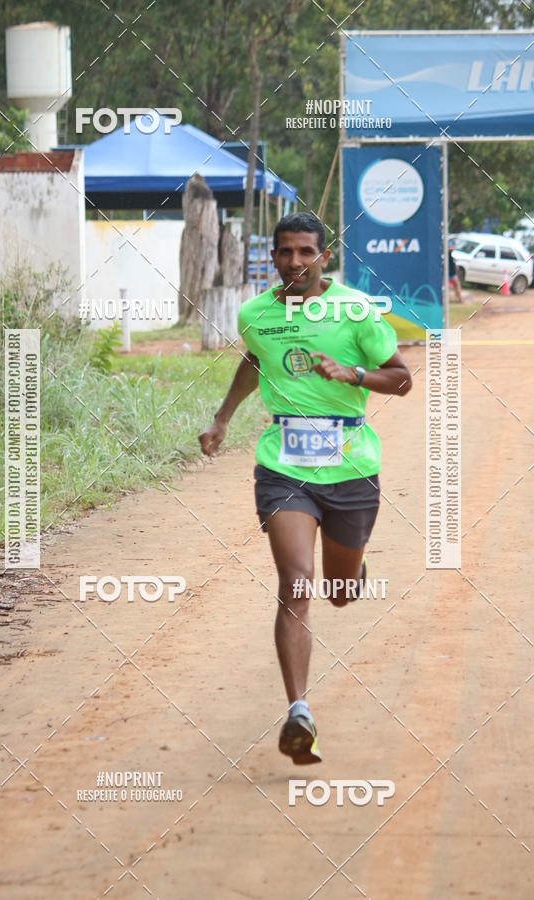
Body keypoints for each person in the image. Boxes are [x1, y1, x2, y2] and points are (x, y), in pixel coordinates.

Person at [199, 212, 412, 765]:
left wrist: (355, 375)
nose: (295, 262)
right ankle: (299, 712)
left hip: (351, 466)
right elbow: (255, 361)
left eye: (306, 252)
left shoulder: (355, 311)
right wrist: (223, 418)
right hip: (284, 466)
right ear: (272, 257)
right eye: (285, 252)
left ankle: (352, 572)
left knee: (338, 592)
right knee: (296, 582)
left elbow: (403, 378)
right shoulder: (256, 314)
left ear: (325, 256)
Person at [448, 239, 464, 303]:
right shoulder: (447, 252)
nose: (453, 248)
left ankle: (460, 300)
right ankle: (460, 300)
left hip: (452, 273)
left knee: (457, 285)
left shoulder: (449, 254)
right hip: (448, 273)